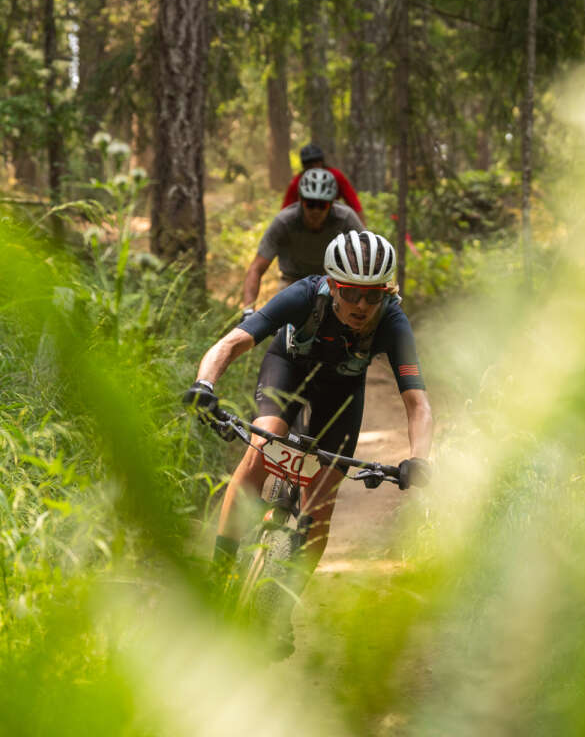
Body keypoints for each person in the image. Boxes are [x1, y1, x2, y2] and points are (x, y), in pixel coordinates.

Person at [183, 230, 434, 651]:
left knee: (322, 500)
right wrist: (205, 384)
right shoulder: (303, 295)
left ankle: (282, 604)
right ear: (333, 285)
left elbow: (417, 403)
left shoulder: (392, 321)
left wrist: (419, 458)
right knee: (264, 446)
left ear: (387, 295)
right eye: (351, 293)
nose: (361, 306)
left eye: (373, 296)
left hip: (342, 392)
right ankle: (218, 572)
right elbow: (234, 341)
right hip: (288, 371)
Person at [240, 166, 362, 318]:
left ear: (331, 204)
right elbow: (256, 268)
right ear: (301, 201)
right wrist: (248, 311)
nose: (315, 211)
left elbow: (367, 256)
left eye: (322, 205)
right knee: (283, 329)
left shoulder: (346, 219)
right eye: (310, 204)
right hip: (292, 282)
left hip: (332, 283)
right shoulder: (284, 222)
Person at [281, 143, 365, 224]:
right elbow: (284, 213)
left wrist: (361, 229)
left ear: (322, 162)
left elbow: (354, 204)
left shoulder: (336, 176)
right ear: (304, 167)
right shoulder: (297, 182)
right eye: (309, 165)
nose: (314, 167)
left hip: (333, 221)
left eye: (316, 163)